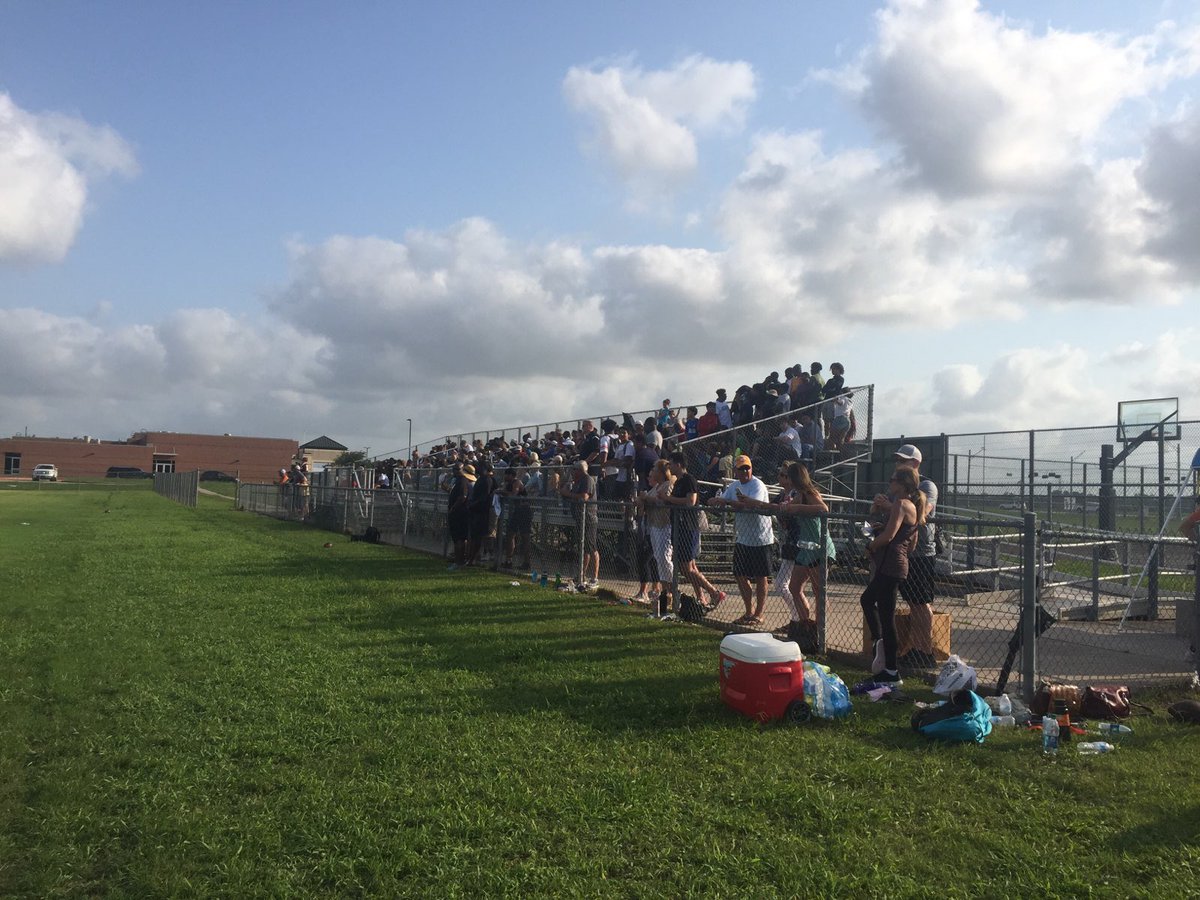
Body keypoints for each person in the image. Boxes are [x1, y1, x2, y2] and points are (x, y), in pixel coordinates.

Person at [874, 444, 939, 669]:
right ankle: (915, 647)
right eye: (897, 460)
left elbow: (923, 513)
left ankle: (926, 650)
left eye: (904, 460)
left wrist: (890, 506)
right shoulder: (899, 490)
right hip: (905, 551)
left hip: (922, 552)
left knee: (922, 603)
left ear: (916, 463)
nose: (899, 463)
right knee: (912, 603)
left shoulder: (927, 486)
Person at [862, 467, 925, 684]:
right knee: (871, 603)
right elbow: (910, 541)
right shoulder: (911, 506)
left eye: (893, 480)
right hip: (893, 565)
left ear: (903, 483)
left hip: (891, 566)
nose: (890, 483)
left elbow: (889, 536)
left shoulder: (901, 503)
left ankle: (890, 667)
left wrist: (871, 544)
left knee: (882, 614)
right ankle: (883, 651)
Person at [710, 455, 774, 627]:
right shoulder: (734, 486)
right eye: (741, 469)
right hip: (744, 537)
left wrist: (729, 502)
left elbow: (751, 505)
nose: (745, 471)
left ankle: (759, 614)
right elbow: (725, 501)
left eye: (747, 468)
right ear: (736, 471)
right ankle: (748, 611)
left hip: (761, 537)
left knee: (761, 577)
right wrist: (716, 501)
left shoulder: (757, 485)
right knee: (739, 574)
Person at [662, 450, 725, 610]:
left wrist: (667, 498)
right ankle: (701, 597)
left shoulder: (689, 480)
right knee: (689, 567)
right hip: (679, 526)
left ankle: (714, 592)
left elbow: (691, 501)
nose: (669, 467)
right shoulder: (678, 481)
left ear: (678, 464)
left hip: (688, 527)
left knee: (687, 568)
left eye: (671, 464)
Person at [560, 459, 600, 589]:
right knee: (583, 547)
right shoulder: (577, 482)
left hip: (588, 517)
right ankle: (581, 574)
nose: (572, 472)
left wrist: (569, 493)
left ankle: (594, 576)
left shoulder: (587, 480)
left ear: (579, 470)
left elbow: (584, 497)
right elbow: (567, 494)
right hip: (579, 517)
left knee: (591, 546)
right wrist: (566, 489)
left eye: (574, 469)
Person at [500, 467, 532, 571]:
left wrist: (502, 492)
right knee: (510, 534)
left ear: (511, 475)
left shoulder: (517, 482)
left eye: (506, 475)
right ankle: (509, 560)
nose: (505, 477)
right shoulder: (507, 484)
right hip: (517, 511)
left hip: (524, 510)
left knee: (525, 536)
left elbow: (514, 494)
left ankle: (527, 562)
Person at [466, 461, 497, 565]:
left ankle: (475, 558)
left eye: (480, 467)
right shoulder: (480, 479)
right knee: (474, 536)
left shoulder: (487, 480)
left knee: (480, 536)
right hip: (476, 510)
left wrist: (473, 504)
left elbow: (485, 497)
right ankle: (471, 557)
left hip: (482, 511)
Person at [446, 463, 474, 571]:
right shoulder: (457, 481)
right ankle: (459, 561)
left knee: (459, 539)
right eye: (454, 469)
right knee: (458, 539)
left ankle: (459, 562)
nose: (455, 471)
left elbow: (463, 496)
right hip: (458, 513)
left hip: (460, 514)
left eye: (458, 469)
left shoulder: (462, 481)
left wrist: (453, 508)